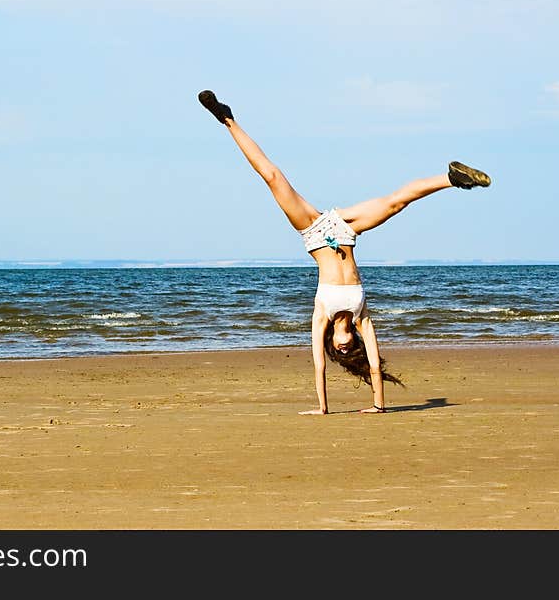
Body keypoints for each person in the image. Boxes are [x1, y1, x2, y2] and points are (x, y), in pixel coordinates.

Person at [197, 90, 491, 415]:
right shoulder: (362, 318)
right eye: (349, 347)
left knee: (272, 177)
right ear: (353, 343)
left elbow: (319, 368)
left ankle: (226, 119)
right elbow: (376, 365)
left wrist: (322, 409)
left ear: (334, 347)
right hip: (345, 231)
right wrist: (378, 406)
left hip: (313, 232)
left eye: (340, 349)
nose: (343, 345)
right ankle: (453, 178)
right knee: (396, 203)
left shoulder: (321, 318)